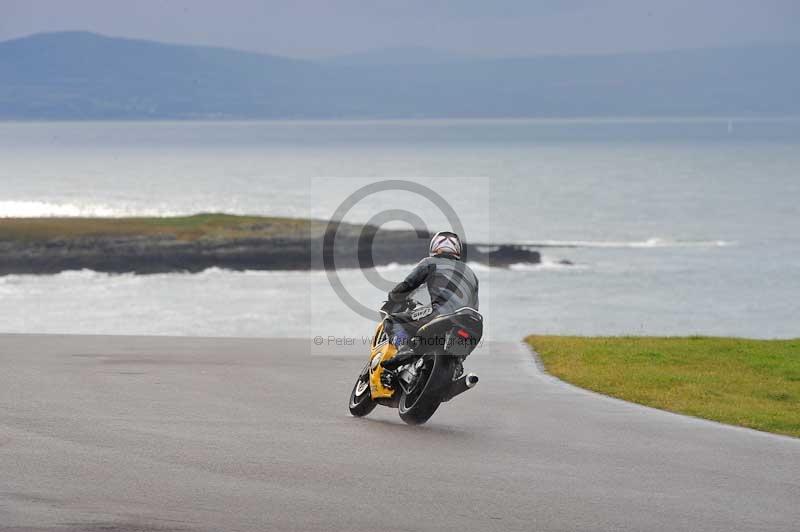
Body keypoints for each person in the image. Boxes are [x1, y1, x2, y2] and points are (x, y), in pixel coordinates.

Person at [380, 231, 479, 372]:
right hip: (470, 323)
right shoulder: (471, 273)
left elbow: (408, 285)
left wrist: (393, 297)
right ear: (457, 250)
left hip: (439, 314)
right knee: (458, 352)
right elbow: (475, 306)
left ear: (435, 247)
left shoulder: (430, 262)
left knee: (393, 321)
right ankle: (456, 365)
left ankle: (404, 349)